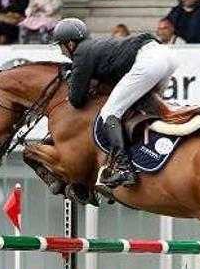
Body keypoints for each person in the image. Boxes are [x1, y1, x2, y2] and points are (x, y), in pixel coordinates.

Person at [51, 18, 176, 187]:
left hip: (149, 61)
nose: (61, 52)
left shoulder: (82, 53)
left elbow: (77, 100)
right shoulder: (95, 46)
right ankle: (151, 152)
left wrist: (69, 76)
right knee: (142, 109)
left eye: (61, 46)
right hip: (165, 55)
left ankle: (125, 169)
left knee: (110, 112)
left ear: (70, 44)